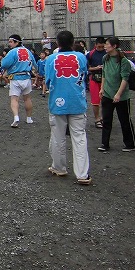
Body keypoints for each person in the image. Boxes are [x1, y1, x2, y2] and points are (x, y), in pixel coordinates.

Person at [45, 30, 91, 185]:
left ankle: (59, 167)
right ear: (73, 42)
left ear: (57, 43)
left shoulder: (51, 59)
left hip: (57, 103)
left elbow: (48, 80)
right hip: (77, 102)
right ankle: (82, 174)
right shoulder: (81, 57)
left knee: (57, 137)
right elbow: (84, 75)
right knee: (79, 138)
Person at [98, 37, 135, 152]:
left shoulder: (123, 61)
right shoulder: (105, 58)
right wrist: (102, 89)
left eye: (107, 44)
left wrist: (118, 94)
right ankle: (105, 144)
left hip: (121, 96)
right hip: (107, 94)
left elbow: (125, 79)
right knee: (106, 120)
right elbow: (104, 74)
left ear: (114, 46)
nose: (105, 46)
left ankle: (130, 144)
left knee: (124, 120)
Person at [1, 34, 37, 128]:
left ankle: (16, 117)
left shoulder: (12, 52)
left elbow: (4, 64)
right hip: (27, 78)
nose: (9, 44)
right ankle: (29, 118)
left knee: (14, 99)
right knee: (27, 99)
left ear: (17, 42)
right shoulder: (28, 51)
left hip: (15, 78)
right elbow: (35, 64)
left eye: (11, 42)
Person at [87, 37, 107, 128]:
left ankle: (104, 118)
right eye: (99, 47)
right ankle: (97, 119)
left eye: (103, 47)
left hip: (106, 79)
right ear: (95, 45)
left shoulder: (107, 53)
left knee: (105, 100)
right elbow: (87, 68)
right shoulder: (90, 54)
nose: (101, 48)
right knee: (95, 101)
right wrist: (96, 68)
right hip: (94, 78)